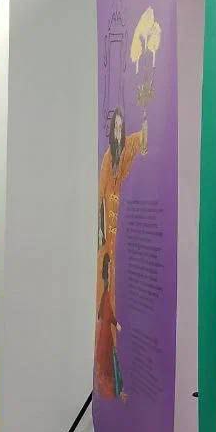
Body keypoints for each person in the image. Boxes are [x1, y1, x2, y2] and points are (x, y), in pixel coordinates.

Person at [94, 107, 147, 400]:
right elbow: (101, 203)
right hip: (108, 245)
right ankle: (114, 382)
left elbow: (141, 141)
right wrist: (103, 241)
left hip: (122, 240)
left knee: (117, 311)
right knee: (109, 314)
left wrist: (148, 119)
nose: (117, 133)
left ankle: (121, 382)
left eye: (120, 128)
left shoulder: (126, 150)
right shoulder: (107, 160)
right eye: (114, 128)